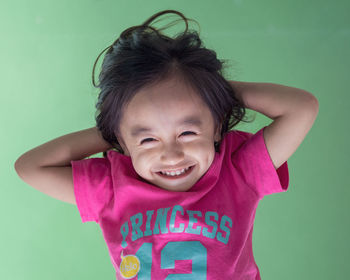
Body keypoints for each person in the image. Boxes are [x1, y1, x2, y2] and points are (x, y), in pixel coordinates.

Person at [14, 9, 319, 280]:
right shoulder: (111, 188)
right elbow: (30, 167)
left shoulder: (238, 171)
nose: (171, 155)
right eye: (147, 139)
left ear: (216, 126)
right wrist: (115, 130)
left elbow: (302, 108)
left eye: (187, 133)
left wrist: (215, 93)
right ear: (122, 140)